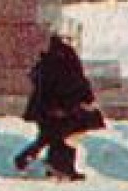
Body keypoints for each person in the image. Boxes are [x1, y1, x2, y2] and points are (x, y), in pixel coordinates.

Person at [14, 26, 104, 181]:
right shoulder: (66, 55)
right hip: (59, 107)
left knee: (54, 136)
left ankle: (50, 165)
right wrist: (85, 99)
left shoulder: (53, 54)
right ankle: (57, 167)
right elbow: (74, 81)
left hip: (49, 107)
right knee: (67, 133)